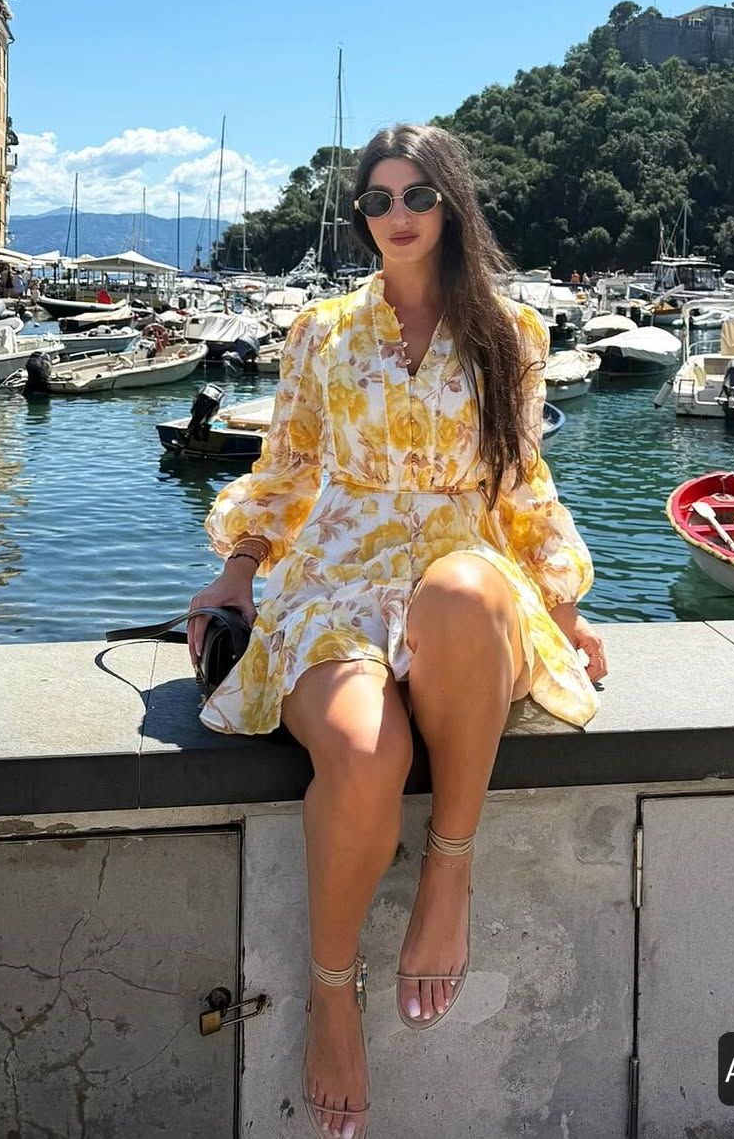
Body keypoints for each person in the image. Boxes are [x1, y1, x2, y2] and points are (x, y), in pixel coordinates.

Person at [188, 123, 607, 1138]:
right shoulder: (320, 330)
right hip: (338, 573)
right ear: (362, 216)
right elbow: (289, 466)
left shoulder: (512, 332)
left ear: (451, 204)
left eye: (418, 195)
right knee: (368, 752)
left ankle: (447, 874)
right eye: (378, 200)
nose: (398, 215)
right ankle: (334, 996)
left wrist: (563, 606)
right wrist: (238, 573)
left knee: (461, 593)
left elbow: (522, 480)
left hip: (467, 570)